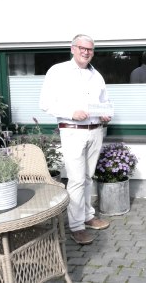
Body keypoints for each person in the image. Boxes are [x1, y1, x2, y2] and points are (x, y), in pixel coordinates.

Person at [39, 34, 112, 245]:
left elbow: (104, 101)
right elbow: (45, 103)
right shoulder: (58, 71)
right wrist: (71, 112)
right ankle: (76, 226)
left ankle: (87, 216)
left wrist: (105, 113)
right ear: (73, 48)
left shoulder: (96, 75)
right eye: (82, 48)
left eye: (90, 49)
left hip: (95, 130)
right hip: (73, 130)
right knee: (77, 179)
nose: (86, 52)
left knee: (88, 177)